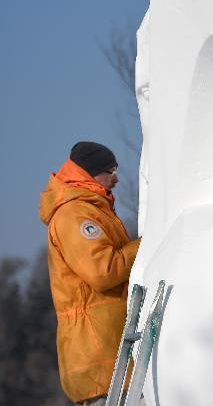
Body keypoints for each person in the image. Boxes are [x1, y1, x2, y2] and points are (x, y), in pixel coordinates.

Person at [38, 141, 141, 405]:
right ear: (90, 173)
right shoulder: (74, 215)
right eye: (110, 170)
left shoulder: (92, 209)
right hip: (99, 360)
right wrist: (145, 246)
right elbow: (103, 270)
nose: (116, 178)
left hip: (110, 354)